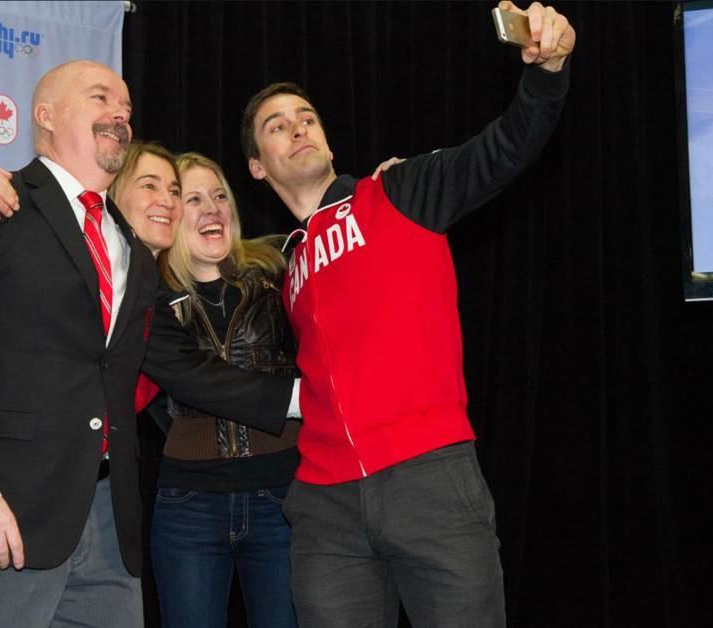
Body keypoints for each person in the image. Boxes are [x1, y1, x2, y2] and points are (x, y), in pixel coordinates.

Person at [0, 59, 296, 628]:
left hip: (108, 532)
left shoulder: (129, 246)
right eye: (101, 98)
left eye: (126, 107)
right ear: (46, 114)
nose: (120, 115)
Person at [237, 2, 575, 626]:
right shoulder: (287, 267)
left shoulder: (399, 192)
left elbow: (505, 148)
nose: (299, 129)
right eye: (277, 126)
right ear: (258, 166)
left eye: (307, 118)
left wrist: (548, 70)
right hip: (325, 505)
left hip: (429, 480)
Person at [150, 152, 300, 627]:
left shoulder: (278, 267)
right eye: (193, 198)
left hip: (284, 500)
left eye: (220, 196)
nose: (212, 208)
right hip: (188, 508)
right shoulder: (146, 290)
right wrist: (296, 400)